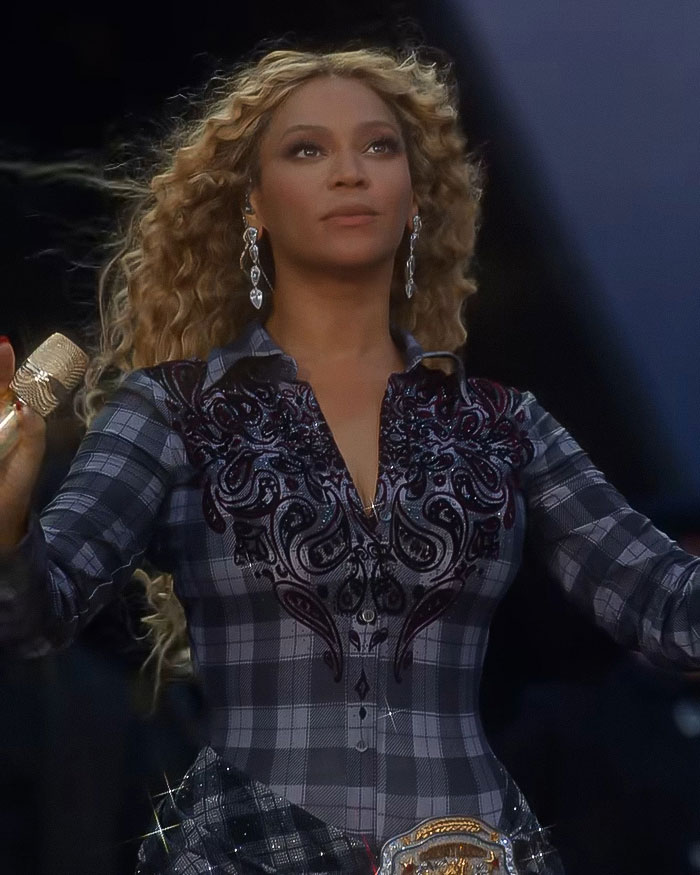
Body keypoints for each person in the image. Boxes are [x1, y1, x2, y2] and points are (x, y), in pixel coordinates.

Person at [1, 44, 699, 875]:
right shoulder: (172, 411)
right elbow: (36, 614)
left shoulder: (502, 423)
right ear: (252, 203)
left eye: (379, 147)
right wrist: (7, 520)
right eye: (307, 149)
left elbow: (670, 607)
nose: (350, 173)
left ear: (414, 197)